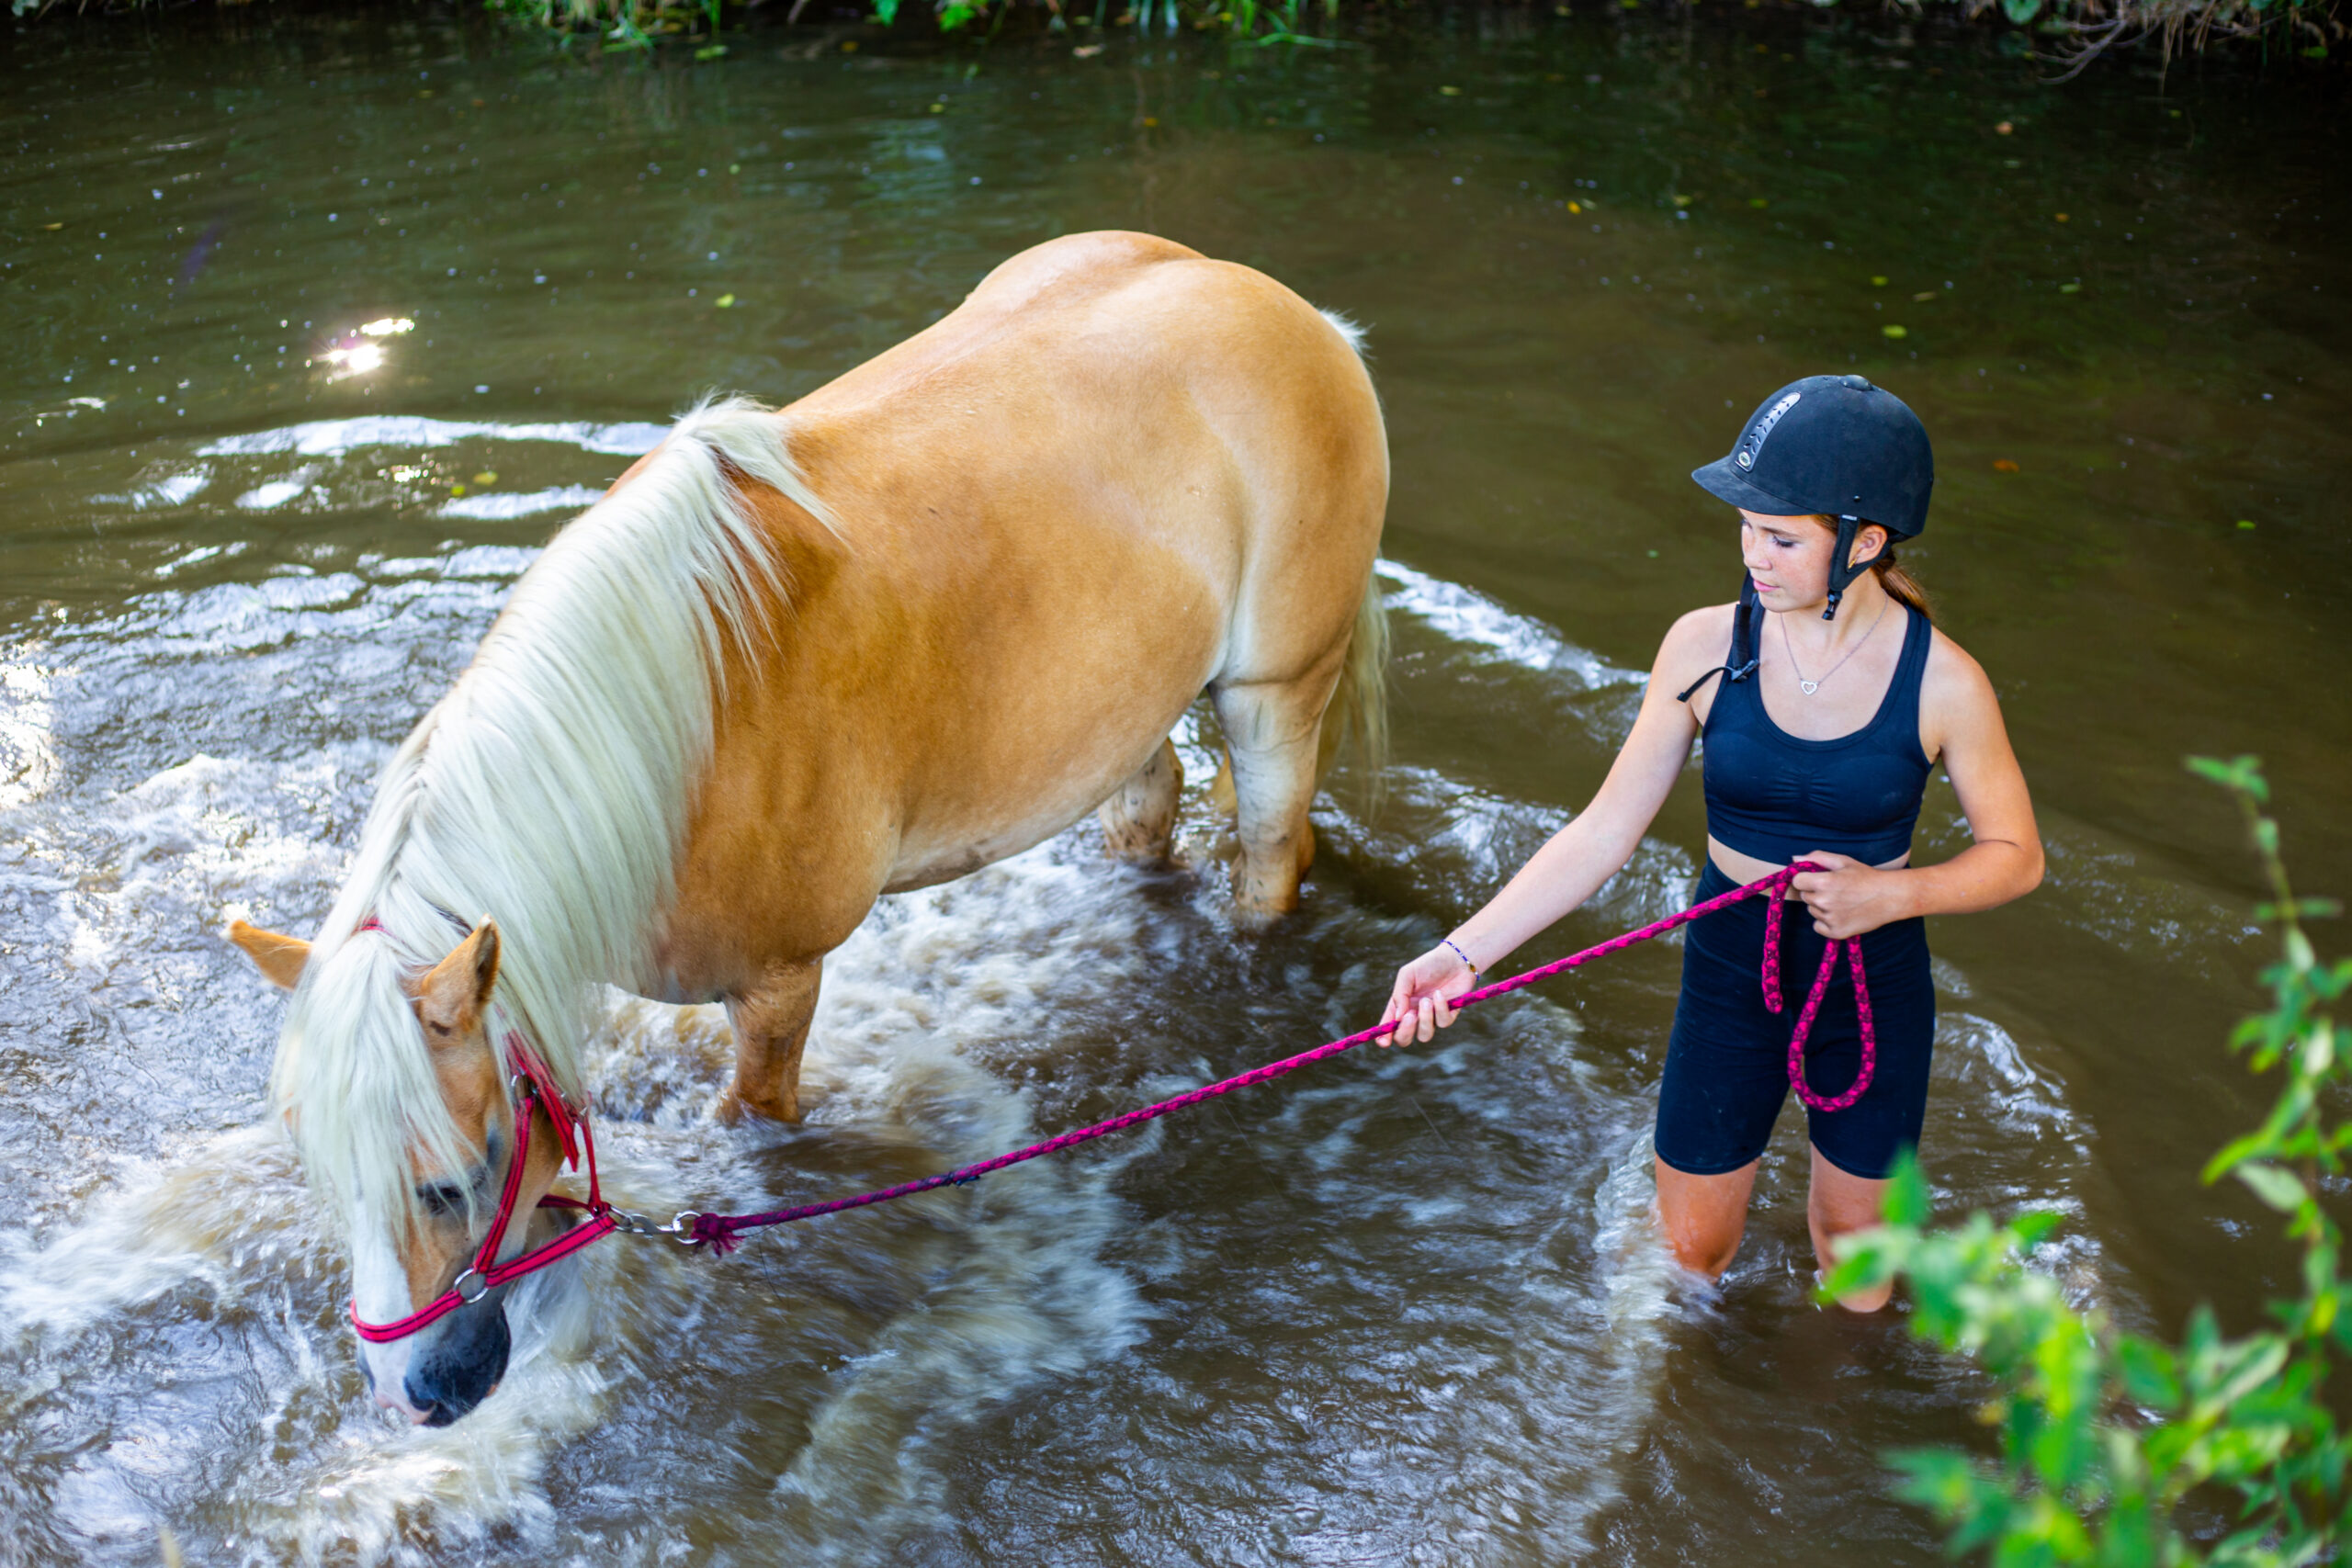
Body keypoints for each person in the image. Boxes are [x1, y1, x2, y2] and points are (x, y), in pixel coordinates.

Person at [1379, 375, 2042, 1312]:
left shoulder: (1944, 682)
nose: (1752, 555)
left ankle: (1832, 1393)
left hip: (1871, 979)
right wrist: (1462, 954)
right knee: (1692, 1251)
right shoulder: (1700, 648)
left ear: (1864, 543)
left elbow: (2017, 854)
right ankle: (1681, 1390)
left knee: (1856, 1257)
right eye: (1745, 528)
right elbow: (1605, 828)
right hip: (1731, 969)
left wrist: (1894, 895)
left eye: (1781, 538)